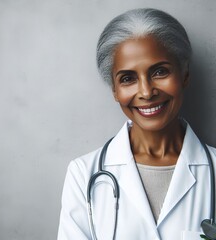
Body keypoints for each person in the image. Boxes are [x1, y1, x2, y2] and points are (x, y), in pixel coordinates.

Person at [57, 8, 216, 240]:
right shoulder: (83, 174)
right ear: (114, 89)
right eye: (128, 78)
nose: (146, 92)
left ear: (185, 75)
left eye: (160, 71)